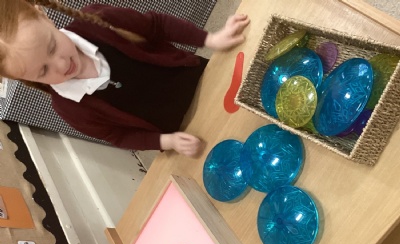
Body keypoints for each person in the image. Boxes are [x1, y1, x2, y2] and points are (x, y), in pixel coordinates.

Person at [0, 0, 250, 157]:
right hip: (189, 128)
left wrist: (210, 39)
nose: (62, 65)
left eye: (52, 47)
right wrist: (167, 141)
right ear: (26, 79)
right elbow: (118, 136)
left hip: (205, 78)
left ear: (43, 15)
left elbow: (157, 25)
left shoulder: (98, 19)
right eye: (43, 71)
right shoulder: (69, 108)